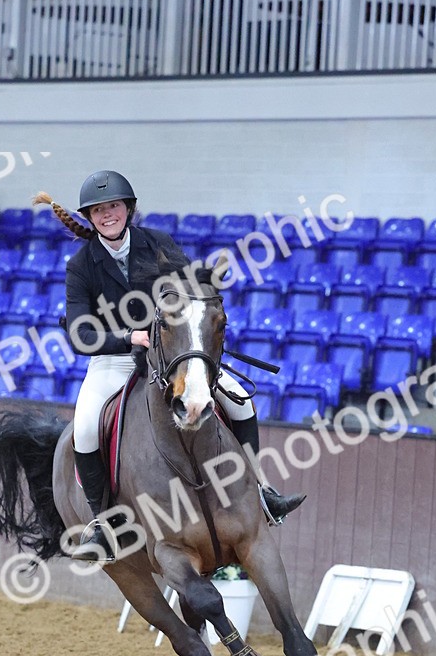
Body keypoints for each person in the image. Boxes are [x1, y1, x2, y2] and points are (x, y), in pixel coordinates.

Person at [35, 170, 304, 562]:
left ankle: (260, 491)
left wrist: (210, 279)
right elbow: (79, 332)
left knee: (241, 399)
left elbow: (191, 285)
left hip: (171, 355)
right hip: (114, 360)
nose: (108, 215)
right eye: (99, 211)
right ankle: (101, 523)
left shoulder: (157, 243)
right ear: (91, 218)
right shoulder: (82, 265)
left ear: (127, 209)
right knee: (88, 427)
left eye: (113, 207)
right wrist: (128, 337)